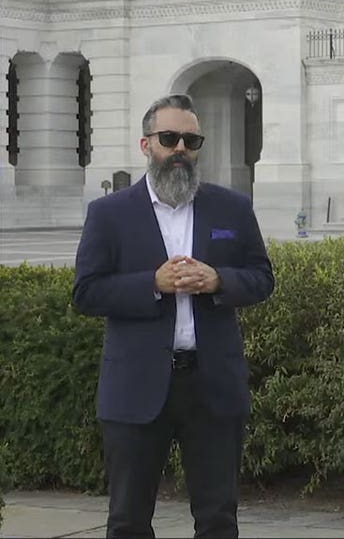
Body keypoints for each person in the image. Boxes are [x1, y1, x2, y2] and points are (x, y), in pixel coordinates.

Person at [73, 94, 275, 538]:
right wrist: (152, 283)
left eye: (191, 139)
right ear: (147, 145)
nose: (181, 148)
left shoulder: (231, 208)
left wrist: (219, 279)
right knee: (128, 520)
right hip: (136, 387)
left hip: (212, 385)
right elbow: (86, 292)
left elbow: (262, 277)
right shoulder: (109, 214)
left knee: (219, 519)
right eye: (170, 138)